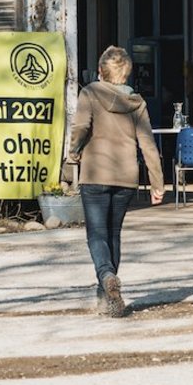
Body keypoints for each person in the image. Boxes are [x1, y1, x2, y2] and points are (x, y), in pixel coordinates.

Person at [68, 45, 164, 318]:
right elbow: (148, 144)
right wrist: (157, 183)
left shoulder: (89, 93)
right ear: (127, 74)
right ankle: (108, 298)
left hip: (95, 173)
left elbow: (81, 127)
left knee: (97, 235)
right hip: (126, 178)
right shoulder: (136, 102)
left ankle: (107, 276)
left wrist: (73, 151)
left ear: (100, 70)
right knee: (113, 235)